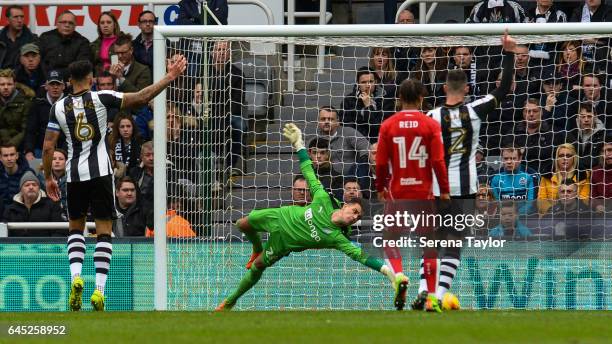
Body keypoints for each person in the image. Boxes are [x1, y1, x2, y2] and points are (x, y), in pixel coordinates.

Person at [41, 55, 186, 311]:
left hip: (74, 175)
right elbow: (141, 97)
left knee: (75, 229)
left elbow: (48, 146)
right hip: (100, 175)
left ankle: (75, 278)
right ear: (89, 79)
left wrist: (50, 178)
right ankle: (98, 290)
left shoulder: (58, 108)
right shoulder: (101, 98)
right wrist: (169, 77)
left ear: (69, 82)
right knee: (104, 231)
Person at [215, 123, 395, 311]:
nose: (355, 217)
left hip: (284, 243)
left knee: (257, 267)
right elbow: (308, 171)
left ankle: (230, 301)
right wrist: (298, 144)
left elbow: (363, 257)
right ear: (345, 206)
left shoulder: (337, 238)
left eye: (358, 217)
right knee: (241, 224)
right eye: (355, 211)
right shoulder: (323, 198)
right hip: (279, 216)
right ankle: (256, 247)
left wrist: (389, 273)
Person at [424, 31, 516, 309]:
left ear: (443, 89)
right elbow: (503, 89)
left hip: (436, 188)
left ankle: (423, 290)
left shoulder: (430, 117)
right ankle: (438, 296)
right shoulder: (475, 110)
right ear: (466, 89)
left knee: (432, 241)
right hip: (465, 189)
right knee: (454, 242)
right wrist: (508, 52)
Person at [376, 78, 450, 312]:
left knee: (390, 239)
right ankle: (430, 297)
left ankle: (398, 274)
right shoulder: (430, 125)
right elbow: (438, 161)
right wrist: (445, 190)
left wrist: (380, 187)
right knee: (429, 245)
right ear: (421, 98)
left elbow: (380, 163)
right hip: (423, 194)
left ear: (399, 98)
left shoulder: (388, 124)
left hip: (398, 193)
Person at [307, 106, 370, 178]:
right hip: (321, 182)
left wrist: (357, 170)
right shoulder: (312, 142)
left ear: (337, 122)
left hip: (350, 181)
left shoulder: (348, 132)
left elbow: (367, 149)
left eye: (330, 119)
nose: (326, 122)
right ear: (318, 122)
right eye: (323, 119)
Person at [339, 67, 395, 143]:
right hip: (355, 144)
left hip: (379, 143)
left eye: (370, 81)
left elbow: (381, 127)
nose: (368, 85)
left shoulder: (386, 100)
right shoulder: (348, 100)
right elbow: (347, 128)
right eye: (363, 82)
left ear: (375, 82)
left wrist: (369, 107)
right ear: (358, 83)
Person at [3, 171, 63, 236]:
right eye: (27, 185)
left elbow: (59, 231)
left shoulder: (52, 206)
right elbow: (4, 233)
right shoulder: (11, 210)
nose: (31, 187)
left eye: (34, 185)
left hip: (45, 245)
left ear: (39, 189)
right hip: (17, 245)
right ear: (21, 190)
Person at [24, 70, 66, 160]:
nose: (55, 87)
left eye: (58, 84)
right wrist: (28, 151)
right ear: (46, 86)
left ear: (63, 86)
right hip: (41, 149)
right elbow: (30, 130)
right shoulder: (37, 104)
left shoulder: (71, 104)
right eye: (52, 84)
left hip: (65, 149)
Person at [508, 98, 557, 176]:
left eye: (535, 111)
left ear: (541, 113)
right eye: (527, 111)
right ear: (523, 114)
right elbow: (508, 154)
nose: (531, 114)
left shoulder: (553, 132)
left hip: (545, 175)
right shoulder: (514, 132)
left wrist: (524, 151)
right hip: (518, 175)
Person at [537, 143, 590, 214]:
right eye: (561, 155)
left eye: (568, 156)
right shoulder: (547, 174)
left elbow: (584, 201)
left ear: (574, 158)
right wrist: (555, 213)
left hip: (576, 216)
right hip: (550, 215)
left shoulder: (583, 175)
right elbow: (541, 200)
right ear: (557, 158)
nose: (564, 158)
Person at [39, 11, 92, 78]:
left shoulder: (82, 42)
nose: (67, 25)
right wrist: (49, 76)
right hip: (46, 80)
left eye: (71, 23)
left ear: (75, 26)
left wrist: (58, 74)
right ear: (57, 24)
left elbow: (82, 66)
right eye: (64, 22)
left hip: (71, 81)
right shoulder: (45, 37)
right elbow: (38, 61)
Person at [489, 145, 537, 214]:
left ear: (520, 159)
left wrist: (515, 214)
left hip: (526, 218)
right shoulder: (495, 178)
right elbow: (496, 204)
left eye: (513, 158)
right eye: (506, 158)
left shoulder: (530, 176)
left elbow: (531, 204)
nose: (509, 162)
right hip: (504, 217)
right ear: (502, 159)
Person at [0, 68, 33, 149]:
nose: (6, 87)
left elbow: (25, 129)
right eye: (2, 84)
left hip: (18, 146)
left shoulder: (25, 102)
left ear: (14, 85)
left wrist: (10, 146)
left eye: (9, 84)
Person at [567, 102, 606, 170]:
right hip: (574, 172)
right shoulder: (571, 134)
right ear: (578, 118)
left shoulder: (603, 135)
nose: (586, 120)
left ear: (595, 117)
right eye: (583, 117)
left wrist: (576, 162)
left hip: (595, 172)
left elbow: (598, 160)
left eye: (589, 116)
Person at [0, 5, 37, 69]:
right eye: (16, 17)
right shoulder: (1, 38)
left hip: (23, 77)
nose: (20, 20)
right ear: (7, 20)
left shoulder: (33, 39)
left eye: (22, 17)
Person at [0, 143, 34, 211]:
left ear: (17, 156)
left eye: (12, 155)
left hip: (21, 214)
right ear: (0, 158)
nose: (9, 158)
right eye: (5, 155)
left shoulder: (28, 174)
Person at [37, 148, 68, 220]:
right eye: (54, 159)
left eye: (61, 159)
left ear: (66, 162)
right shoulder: (41, 178)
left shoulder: (73, 177)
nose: (57, 161)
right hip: (48, 214)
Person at [109, 113, 142, 178]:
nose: (125, 129)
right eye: (122, 127)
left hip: (135, 177)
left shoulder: (139, 142)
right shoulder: (111, 142)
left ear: (133, 127)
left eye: (128, 126)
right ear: (118, 129)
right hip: (115, 177)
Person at [91, 11, 121, 75]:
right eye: (102, 23)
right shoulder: (94, 45)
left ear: (115, 25)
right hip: (99, 80)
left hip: (117, 77)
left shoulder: (123, 42)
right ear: (99, 26)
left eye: (109, 22)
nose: (105, 25)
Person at [128, 141, 154, 210]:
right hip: (138, 210)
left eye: (154, 155)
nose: (151, 158)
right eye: (147, 155)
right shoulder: (134, 172)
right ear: (141, 157)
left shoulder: (169, 172)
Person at [591, 139, 612, 211]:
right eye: (603, 151)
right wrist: (598, 205)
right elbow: (594, 196)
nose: (606, 154)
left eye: (610, 150)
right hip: (603, 215)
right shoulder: (596, 171)